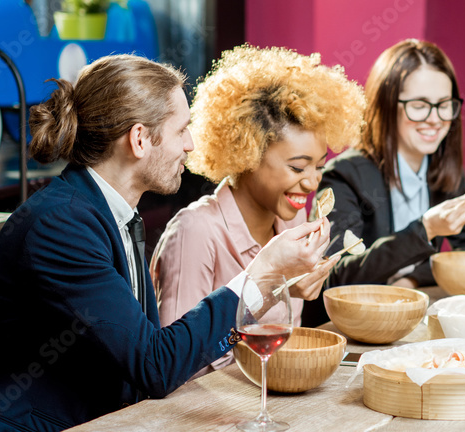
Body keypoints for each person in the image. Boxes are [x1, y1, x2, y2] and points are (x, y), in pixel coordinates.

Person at [0, 55, 329, 432]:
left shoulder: (115, 213)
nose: (190, 145)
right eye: (181, 131)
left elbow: (144, 358)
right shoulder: (60, 226)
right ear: (138, 140)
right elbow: (156, 366)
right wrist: (264, 275)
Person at [150, 45, 364, 376]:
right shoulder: (196, 232)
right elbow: (178, 368)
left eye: (319, 167)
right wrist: (266, 296)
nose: (311, 184)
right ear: (246, 154)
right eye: (297, 168)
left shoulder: (292, 221)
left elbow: (281, 351)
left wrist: (290, 289)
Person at [308, 39, 465, 314]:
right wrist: (425, 230)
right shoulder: (343, 177)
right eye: (419, 105)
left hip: (408, 321)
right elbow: (335, 276)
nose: (435, 119)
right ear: (386, 106)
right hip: (351, 330)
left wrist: (413, 277)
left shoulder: (442, 168)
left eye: (444, 104)